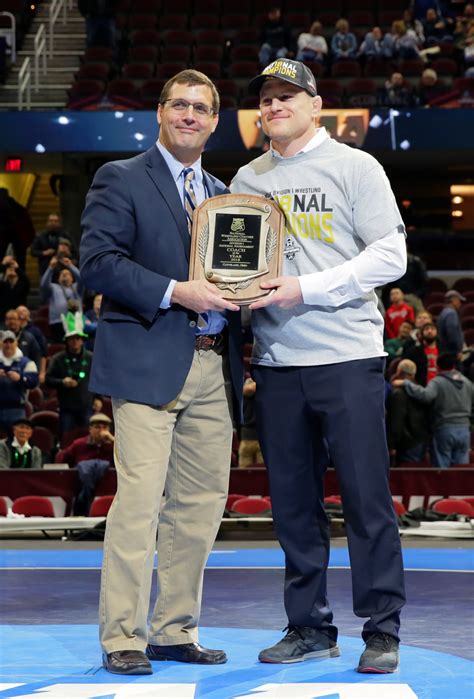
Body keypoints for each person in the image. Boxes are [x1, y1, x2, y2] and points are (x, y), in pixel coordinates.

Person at [230, 58, 406, 673]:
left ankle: (382, 628)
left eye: (286, 96)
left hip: (349, 352)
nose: (274, 106)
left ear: (314, 103)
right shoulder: (247, 177)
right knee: (293, 505)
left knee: (365, 498)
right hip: (278, 360)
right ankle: (309, 626)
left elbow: (391, 255)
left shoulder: (356, 166)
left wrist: (305, 288)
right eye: (266, 99)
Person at [79, 69, 243, 676]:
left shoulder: (225, 194)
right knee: (141, 504)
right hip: (147, 361)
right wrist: (178, 291)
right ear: (160, 112)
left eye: (202, 108)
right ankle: (124, 634)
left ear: (214, 121)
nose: (190, 116)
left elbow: (232, 282)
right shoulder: (120, 177)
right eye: (180, 105)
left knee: (199, 508)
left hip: (212, 366)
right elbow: (97, 263)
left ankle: (176, 629)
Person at [398, 353, 473, 468]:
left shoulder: (437, 382)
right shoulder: (467, 383)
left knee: (441, 474)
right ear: (454, 366)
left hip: (444, 430)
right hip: (464, 431)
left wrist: (406, 383)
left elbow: (426, 396)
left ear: (438, 367)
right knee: (460, 473)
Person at [45, 314, 93, 438]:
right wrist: (62, 382)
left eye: (77, 338)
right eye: (71, 338)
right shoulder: (58, 358)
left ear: (82, 340)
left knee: (87, 438)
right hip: (66, 407)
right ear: (66, 340)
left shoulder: (91, 357)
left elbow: (97, 379)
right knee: (66, 438)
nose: (75, 341)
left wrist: (98, 398)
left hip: (86, 405)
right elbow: (47, 379)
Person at [61, 412, 115, 516]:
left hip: (106, 490)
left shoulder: (113, 446)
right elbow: (62, 459)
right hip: (80, 487)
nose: (101, 431)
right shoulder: (79, 444)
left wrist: (112, 440)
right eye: (97, 427)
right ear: (90, 429)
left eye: (105, 427)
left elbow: (128, 457)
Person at [387, 359, 430, 464]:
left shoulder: (398, 393)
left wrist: (391, 444)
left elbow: (396, 421)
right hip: (421, 439)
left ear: (398, 372)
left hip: (407, 443)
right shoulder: (421, 391)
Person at [0, 331, 38, 433]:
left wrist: (20, 378)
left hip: (16, 408)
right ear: (0, 343)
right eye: (5, 342)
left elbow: (34, 382)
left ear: (16, 343)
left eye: (11, 342)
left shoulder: (27, 362)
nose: (8, 345)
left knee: (16, 441)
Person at [40, 256, 83, 342]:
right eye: (62, 274)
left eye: (67, 274)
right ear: (58, 279)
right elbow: (43, 284)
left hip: (75, 322)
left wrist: (70, 266)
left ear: (72, 278)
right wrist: (50, 268)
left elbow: (81, 279)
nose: (64, 275)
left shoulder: (76, 288)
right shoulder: (54, 288)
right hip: (57, 323)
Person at [30, 213, 75, 277]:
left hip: (63, 270)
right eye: (51, 221)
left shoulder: (65, 235)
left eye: (55, 221)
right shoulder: (40, 236)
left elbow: (75, 251)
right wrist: (44, 253)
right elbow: (33, 252)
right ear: (47, 222)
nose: (53, 223)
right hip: (45, 269)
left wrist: (67, 253)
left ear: (59, 223)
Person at [3, 308, 42, 376]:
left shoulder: (29, 337)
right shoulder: (1, 338)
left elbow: (37, 356)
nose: (12, 321)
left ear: (19, 321)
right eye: (9, 319)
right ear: (5, 321)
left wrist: (36, 374)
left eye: (14, 319)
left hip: (25, 373)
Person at [16, 305, 48, 384]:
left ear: (28, 315)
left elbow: (43, 353)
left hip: (31, 368)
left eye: (24, 310)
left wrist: (42, 372)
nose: (21, 312)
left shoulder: (35, 331)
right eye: (18, 310)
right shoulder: (12, 331)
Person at [402, 320, 440, 385]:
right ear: (421, 333)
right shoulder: (414, 351)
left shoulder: (443, 351)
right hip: (420, 385)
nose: (429, 331)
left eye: (432, 329)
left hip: (440, 384)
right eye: (426, 329)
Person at [238, 377, 263, 468]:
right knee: (244, 475)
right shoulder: (245, 391)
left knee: (262, 474)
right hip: (247, 438)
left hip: (260, 438)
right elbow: (249, 389)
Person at [437, 289, 465, 355]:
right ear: (454, 300)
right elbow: (452, 333)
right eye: (459, 301)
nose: (460, 304)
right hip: (452, 352)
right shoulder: (451, 314)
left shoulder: (443, 312)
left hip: (445, 350)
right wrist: (457, 350)